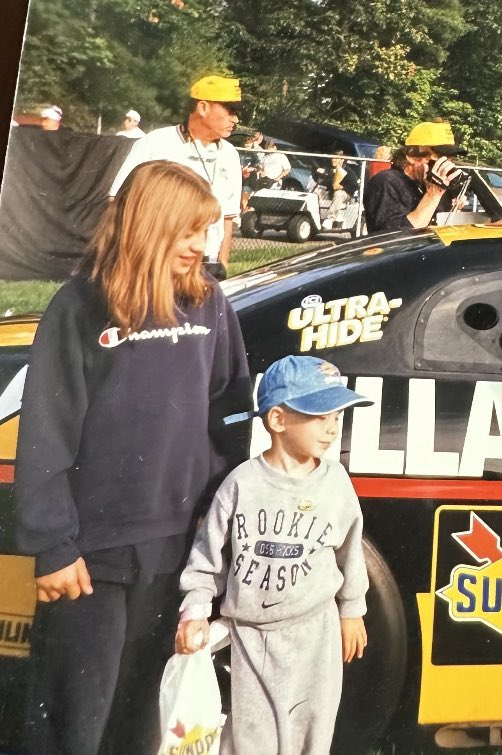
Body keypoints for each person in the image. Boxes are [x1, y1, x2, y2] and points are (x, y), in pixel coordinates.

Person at [14, 160, 252, 754]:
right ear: (152, 224)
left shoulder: (208, 301)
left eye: (208, 231)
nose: (203, 247)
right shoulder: (81, 305)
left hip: (175, 548)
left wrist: (216, 508)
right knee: (76, 720)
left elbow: (230, 403)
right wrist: (53, 546)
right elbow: (46, 430)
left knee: (143, 717)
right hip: (91, 555)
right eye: (191, 231)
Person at [176, 355, 371, 755]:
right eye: (320, 416)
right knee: (252, 740)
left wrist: (352, 611)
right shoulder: (241, 485)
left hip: (315, 633)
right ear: (278, 421)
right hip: (252, 637)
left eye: (337, 416)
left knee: (312, 735)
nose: (333, 428)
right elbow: (207, 557)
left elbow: (351, 554)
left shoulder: (335, 483)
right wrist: (194, 611)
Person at [109, 75, 244, 279]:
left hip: (207, 267)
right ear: (203, 107)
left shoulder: (230, 155)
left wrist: (222, 266)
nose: (235, 119)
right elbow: (117, 204)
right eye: (229, 110)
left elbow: (227, 218)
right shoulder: (154, 144)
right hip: (156, 265)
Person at [361, 121, 465, 233]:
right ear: (412, 155)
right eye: (438, 158)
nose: (445, 165)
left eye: (449, 159)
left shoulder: (428, 186)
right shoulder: (386, 181)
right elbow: (396, 235)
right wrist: (432, 195)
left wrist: (455, 209)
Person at [323, 152, 359, 228]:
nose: (333, 160)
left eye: (336, 158)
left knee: (338, 193)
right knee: (317, 191)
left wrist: (342, 187)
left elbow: (355, 186)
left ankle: (330, 218)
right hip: (330, 193)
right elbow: (325, 184)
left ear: (342, 160)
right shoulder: (329, 170)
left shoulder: (349, 172)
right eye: (333, 158)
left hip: (345, 195)